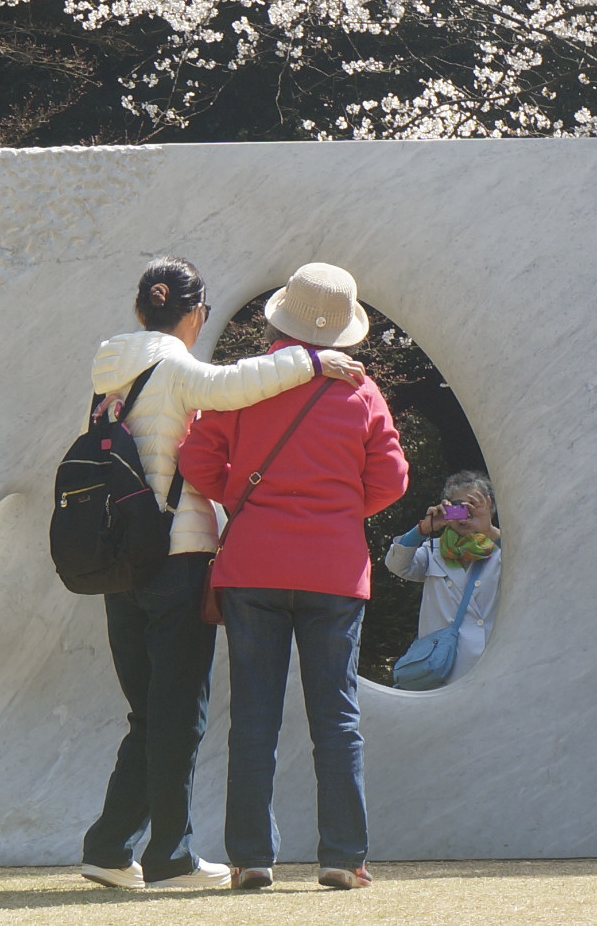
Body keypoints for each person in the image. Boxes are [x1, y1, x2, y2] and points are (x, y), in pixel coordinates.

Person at [80, 256, 367, 891]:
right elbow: (235, 385)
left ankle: (108, 848)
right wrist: (316, 361)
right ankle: (171, 858)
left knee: (147, 714)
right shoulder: (179, 369)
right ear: (196, 313)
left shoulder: (109, 370)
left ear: (139, 309)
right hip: (176, 556)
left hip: (118, 559)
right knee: (179, 711)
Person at [177, 262, 410, 892]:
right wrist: (334, 511)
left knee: (254, 715)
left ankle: (252, 858)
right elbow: (391, 479)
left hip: (252, 565)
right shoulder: (361, 391)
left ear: (282, 317)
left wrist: (244, 498)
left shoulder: (252, 382)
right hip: (334, 570)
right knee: (336, 716)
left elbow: (195, 453)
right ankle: (343, 857)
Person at [384, 470, 503, 683]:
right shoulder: (434, 551)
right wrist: (422, 530)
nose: (465, 515)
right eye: (458, 507)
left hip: (492, 669)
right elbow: (396, 565)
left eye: (473, 506)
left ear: (489, 506)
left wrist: (488, 530)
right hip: (443, 670)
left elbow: (532, 562)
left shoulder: (503, 550)